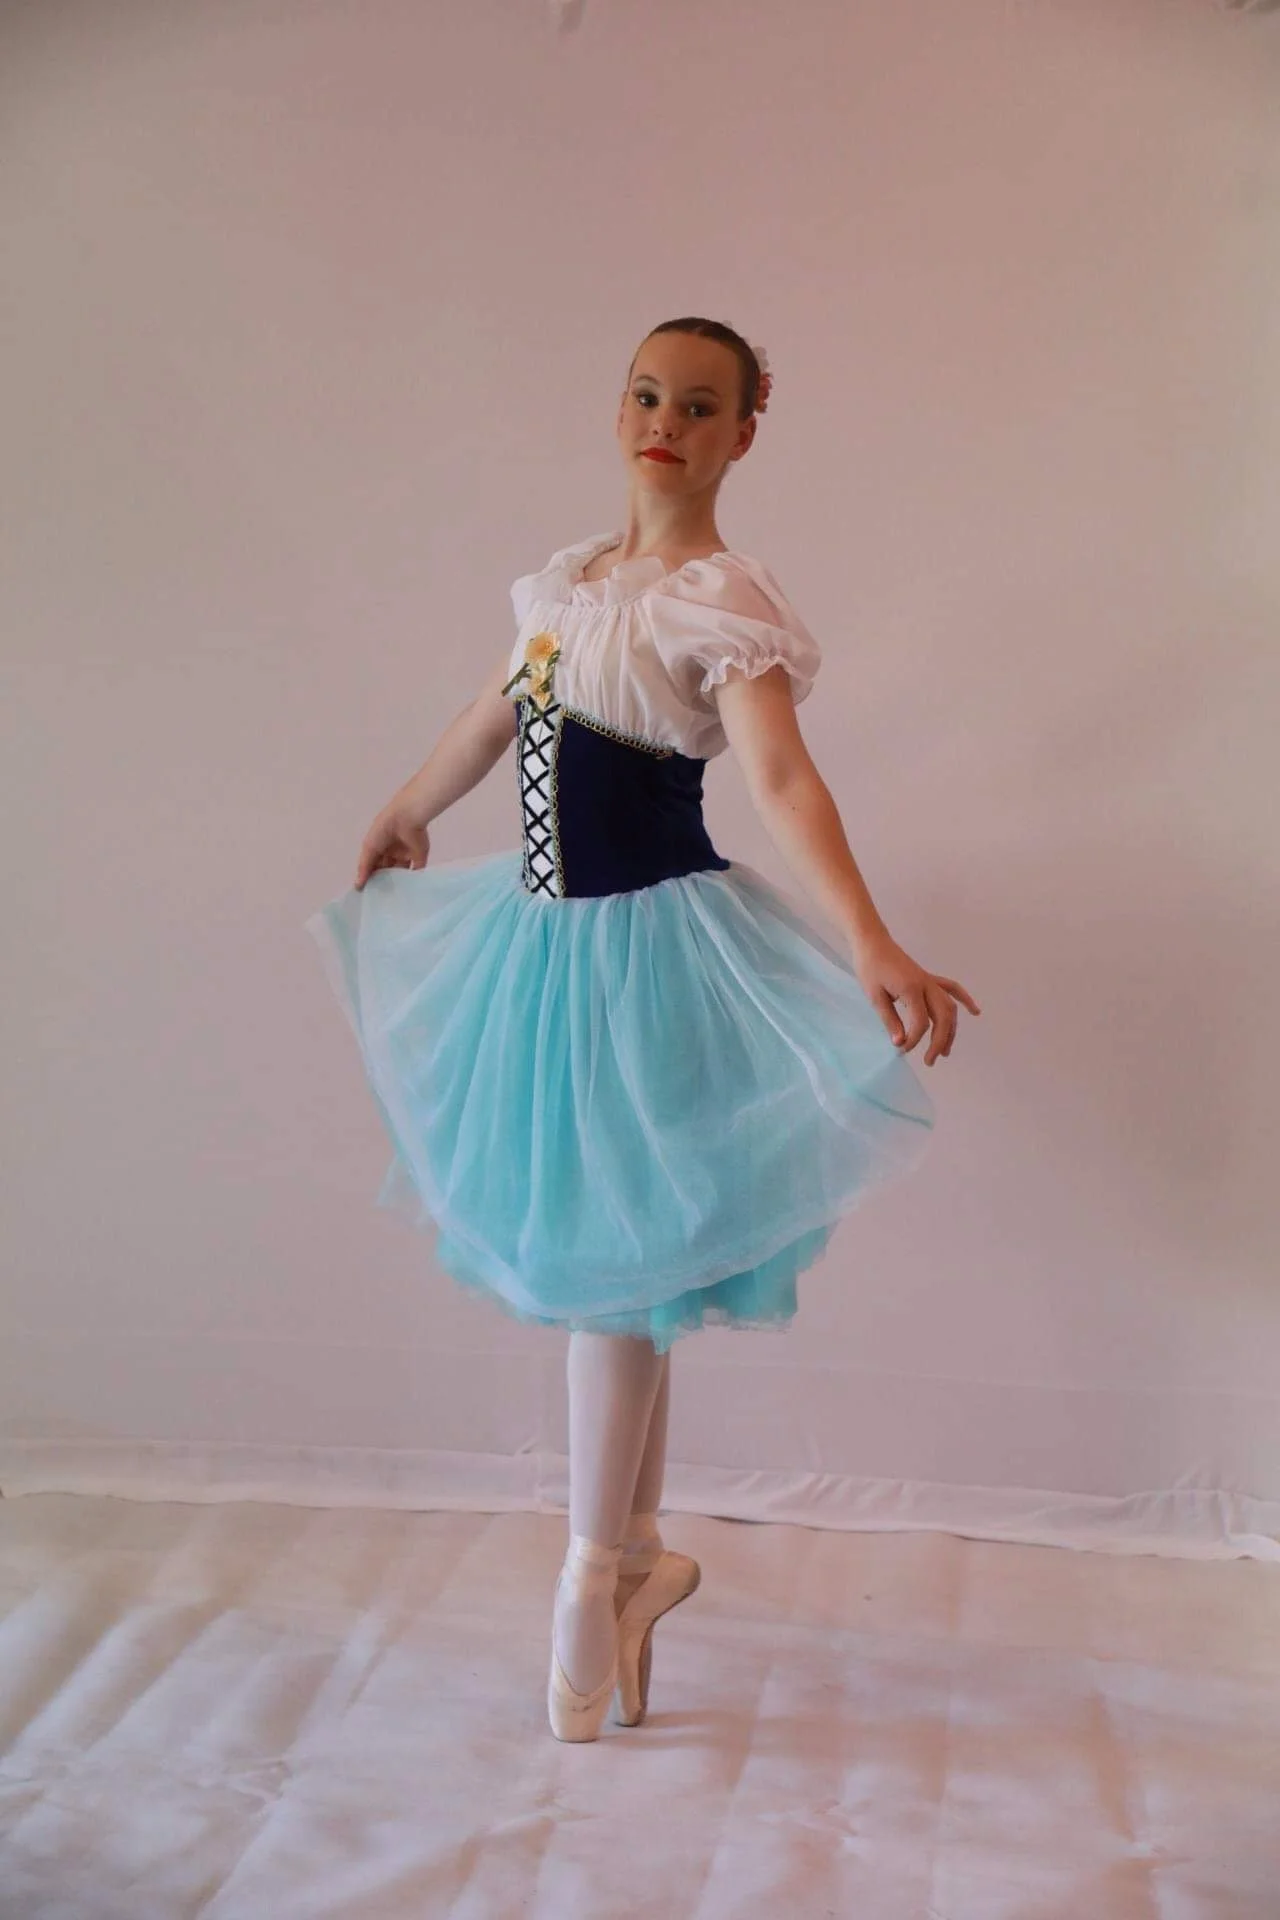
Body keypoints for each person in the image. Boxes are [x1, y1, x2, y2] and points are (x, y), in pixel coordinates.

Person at [305, 317, 980, 1743]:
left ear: (747, 429)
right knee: (625, 1264)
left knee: (616, 1272)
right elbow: (491, 719)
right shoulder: (567, 584)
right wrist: (409, 803)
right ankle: (637, 1563)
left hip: (657, 961)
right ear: (619, 409)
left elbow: (786, 782)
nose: (664, 419)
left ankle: (581, 1580)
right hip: (538, 952)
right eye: (647, 393)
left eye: (701, 403)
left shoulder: (719, 599)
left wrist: (871, 939)